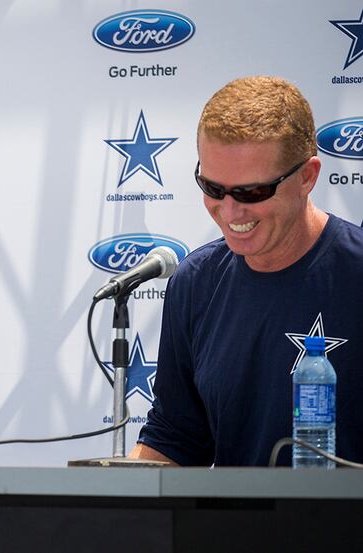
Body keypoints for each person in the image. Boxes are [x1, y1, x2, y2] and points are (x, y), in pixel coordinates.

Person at [131, 76, 363, 466]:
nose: (231, 211)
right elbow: (176, 438)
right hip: (229, 529)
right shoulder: (194, 283)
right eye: (212, 187)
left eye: (252, 192)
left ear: (307, 177)